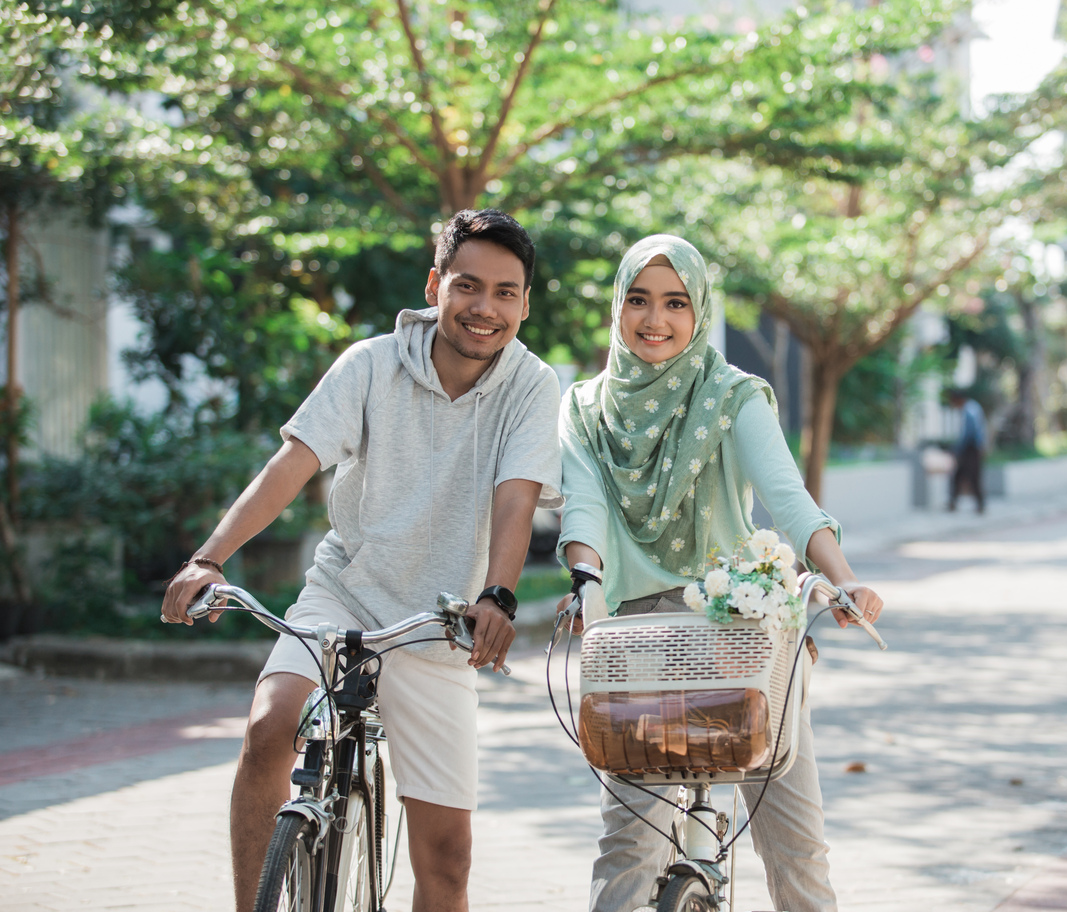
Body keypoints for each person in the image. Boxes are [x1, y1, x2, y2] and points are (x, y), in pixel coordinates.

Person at [159, 209, 563, 912]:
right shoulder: (372, 365)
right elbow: (294, 463)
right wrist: (209, 557)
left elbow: (515, 498)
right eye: (468, 286)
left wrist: (496, 595)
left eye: (505, 293)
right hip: (344, 594)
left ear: (525, 304)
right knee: (267, 729)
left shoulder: (531, 386)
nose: (484, 308)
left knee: (447, 862)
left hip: (439, 625)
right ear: (436, 285)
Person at [556, 235, 884, 912]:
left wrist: (842, 578)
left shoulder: (731, 395)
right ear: (617, 308)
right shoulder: (586, 409)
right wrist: (585, 579)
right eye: (639, 300)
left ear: (700, 310)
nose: (656, 320)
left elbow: (787, 499)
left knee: (794, 841)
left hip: (740, 632)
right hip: (636, 642)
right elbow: (583, 507)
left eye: (676, 302)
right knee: (629, 843)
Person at [947, 389, 986, 514]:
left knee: (973, 476)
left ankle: (980, 505)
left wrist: (958, 449)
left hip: (971, 449)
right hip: (973, 448)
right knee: (959, 475)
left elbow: (969, 433)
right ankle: (954, 502)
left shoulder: (969, 410)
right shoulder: (973, 407)